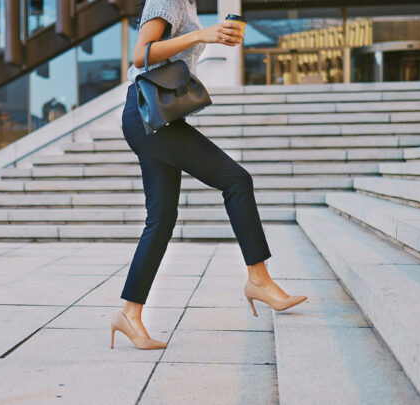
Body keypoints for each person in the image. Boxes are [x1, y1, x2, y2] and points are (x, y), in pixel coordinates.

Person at [109, 0, 307, 351]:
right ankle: (259, 280)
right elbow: (141, 55)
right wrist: (204, 35)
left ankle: (129, 313)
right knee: (236, 180)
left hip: (156, 117)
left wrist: (210, 37)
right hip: (147, 113)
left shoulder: (187, 2)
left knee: (161, 220)